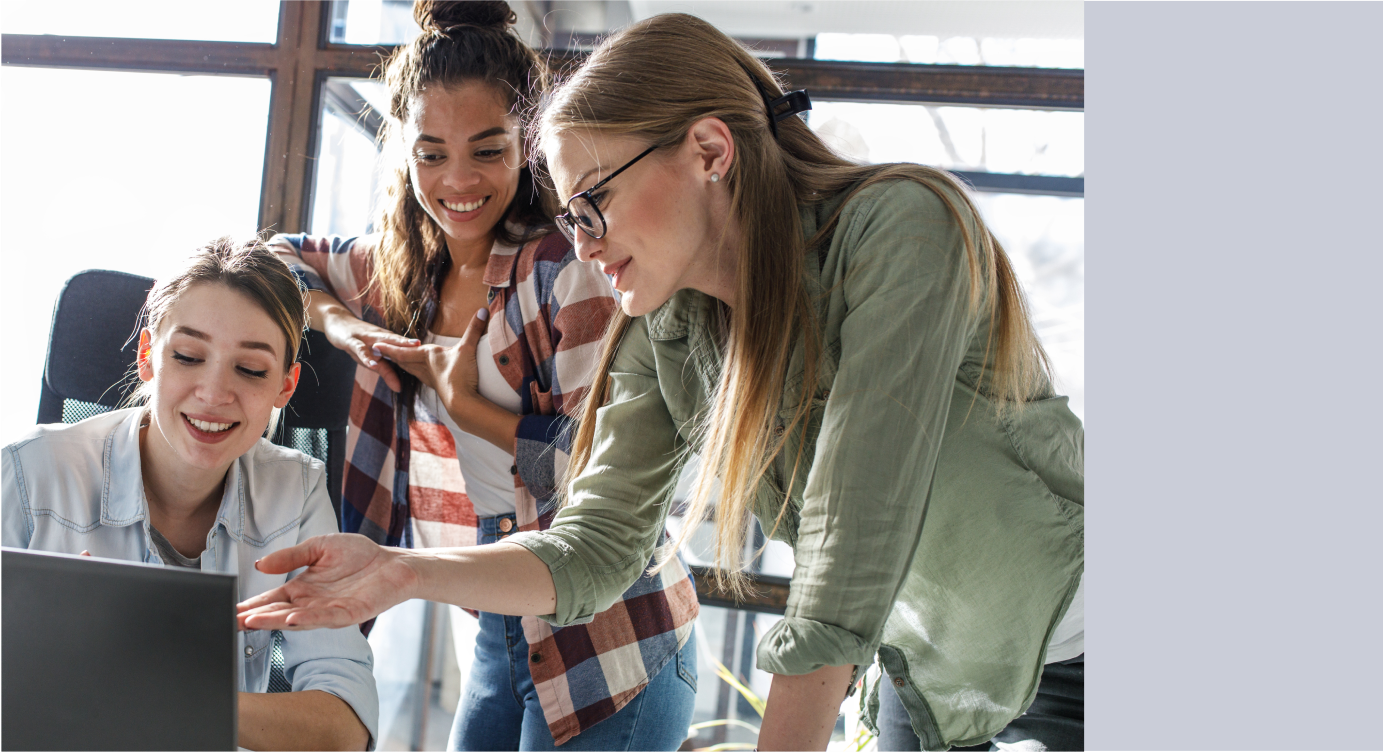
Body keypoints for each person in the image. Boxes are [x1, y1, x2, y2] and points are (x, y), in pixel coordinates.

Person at [240, 12, 1084, 752]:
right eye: (569, 216)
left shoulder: (899, 226)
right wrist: (405, 569)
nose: (581, 243)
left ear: (709, 151)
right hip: (928, 667)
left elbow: (853, 520)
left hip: (1082, 640)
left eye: (593, 203)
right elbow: (597, 544)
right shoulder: (670, 327)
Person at [266, 2, 699, 749]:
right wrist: (341, 324)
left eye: (487, 150)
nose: (456, 181)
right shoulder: (401, 272)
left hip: (612, 633)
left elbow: (607, 477)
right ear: (403, 149)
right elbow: (272, 254)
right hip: (500, 621)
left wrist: (469, 406)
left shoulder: (567, 272)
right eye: (430, 153)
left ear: (529, 145)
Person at [1, 237, 378, 752]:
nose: (214, 393)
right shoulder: (27, 474)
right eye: (187, 356)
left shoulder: (297, 491)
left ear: (284, 389)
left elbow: (345, 726)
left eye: (250, 369)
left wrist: (153, 687)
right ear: (148, 358)